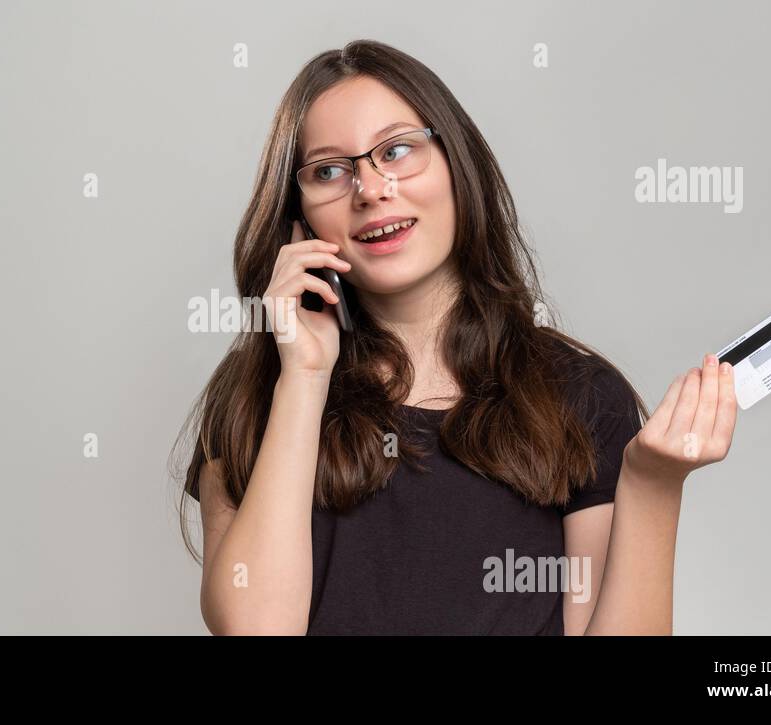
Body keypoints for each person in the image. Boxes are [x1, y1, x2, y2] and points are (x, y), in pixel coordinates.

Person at [170, 39, 738, 635]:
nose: (369, 189)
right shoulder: (256, 396)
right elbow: (258, 630)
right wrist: (305, 376)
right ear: (300, 216)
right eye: (330, 171)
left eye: (396, 150)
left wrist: (652, 486)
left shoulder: (577, 396)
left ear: (456, 162)